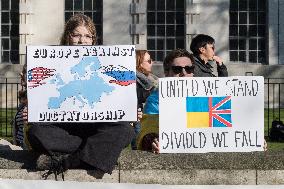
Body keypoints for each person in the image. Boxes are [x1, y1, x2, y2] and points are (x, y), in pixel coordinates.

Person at [25, 14, 135, 180]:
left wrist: (130, 112)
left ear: (93, 39)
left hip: (97, 127)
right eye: (76, 35)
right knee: (36, 132)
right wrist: (32, 111)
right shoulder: (49, 61)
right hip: (63, 128)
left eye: (87, 36)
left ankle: (69, 161)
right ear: (67, 36)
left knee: (125, 129)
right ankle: (92, 154)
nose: (82, 40)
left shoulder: (104, 61)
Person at [136, 49, 195, 153]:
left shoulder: (207, 95)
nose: (184, 73)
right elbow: (149, 126)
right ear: (167, 73)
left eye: (189, 69)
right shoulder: (156, 99)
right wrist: (153, 141)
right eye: (177, 69)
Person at [131, 50, 158, 150]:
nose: (153, 63)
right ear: (139, 64)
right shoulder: (134, 80)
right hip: (137, 119)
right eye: (149, 61)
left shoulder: (150, 80)